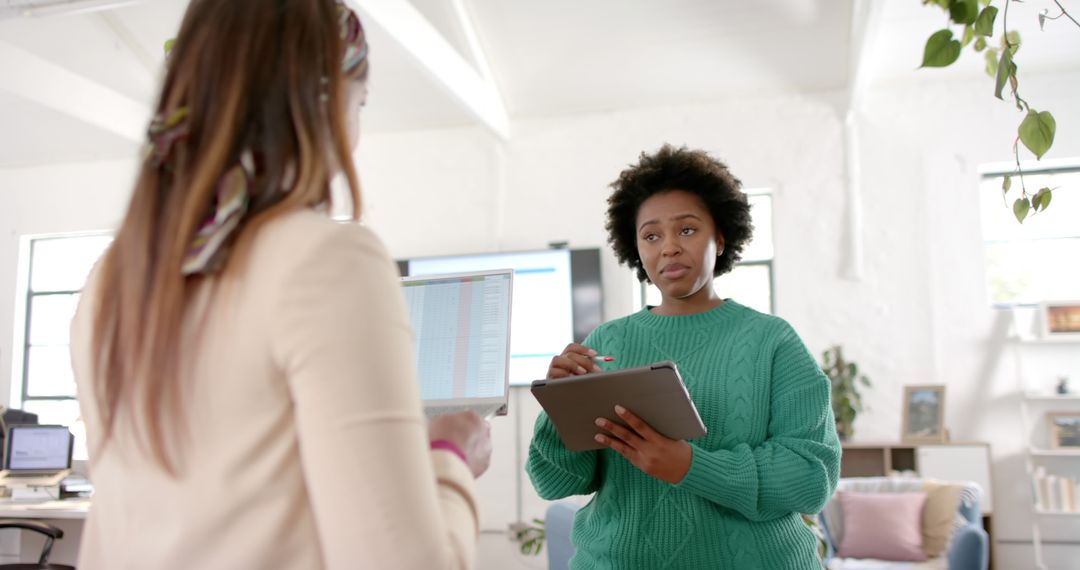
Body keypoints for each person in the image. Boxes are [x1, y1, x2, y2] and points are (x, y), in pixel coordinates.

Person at [68, 1, 490, 568]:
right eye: (358, 102)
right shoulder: (328, 260)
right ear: (323, 100)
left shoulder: (112, 278)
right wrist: (450, 455)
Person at [526, 144, 841, 568]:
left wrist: (690, 465)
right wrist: (559, 408)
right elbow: (554, 480)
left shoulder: (773, 341)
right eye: (651, 235)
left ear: (721, 235)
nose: (669, 247)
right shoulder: (606, 342)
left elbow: (810, 478)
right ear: (635, 248)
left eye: (687, 230)